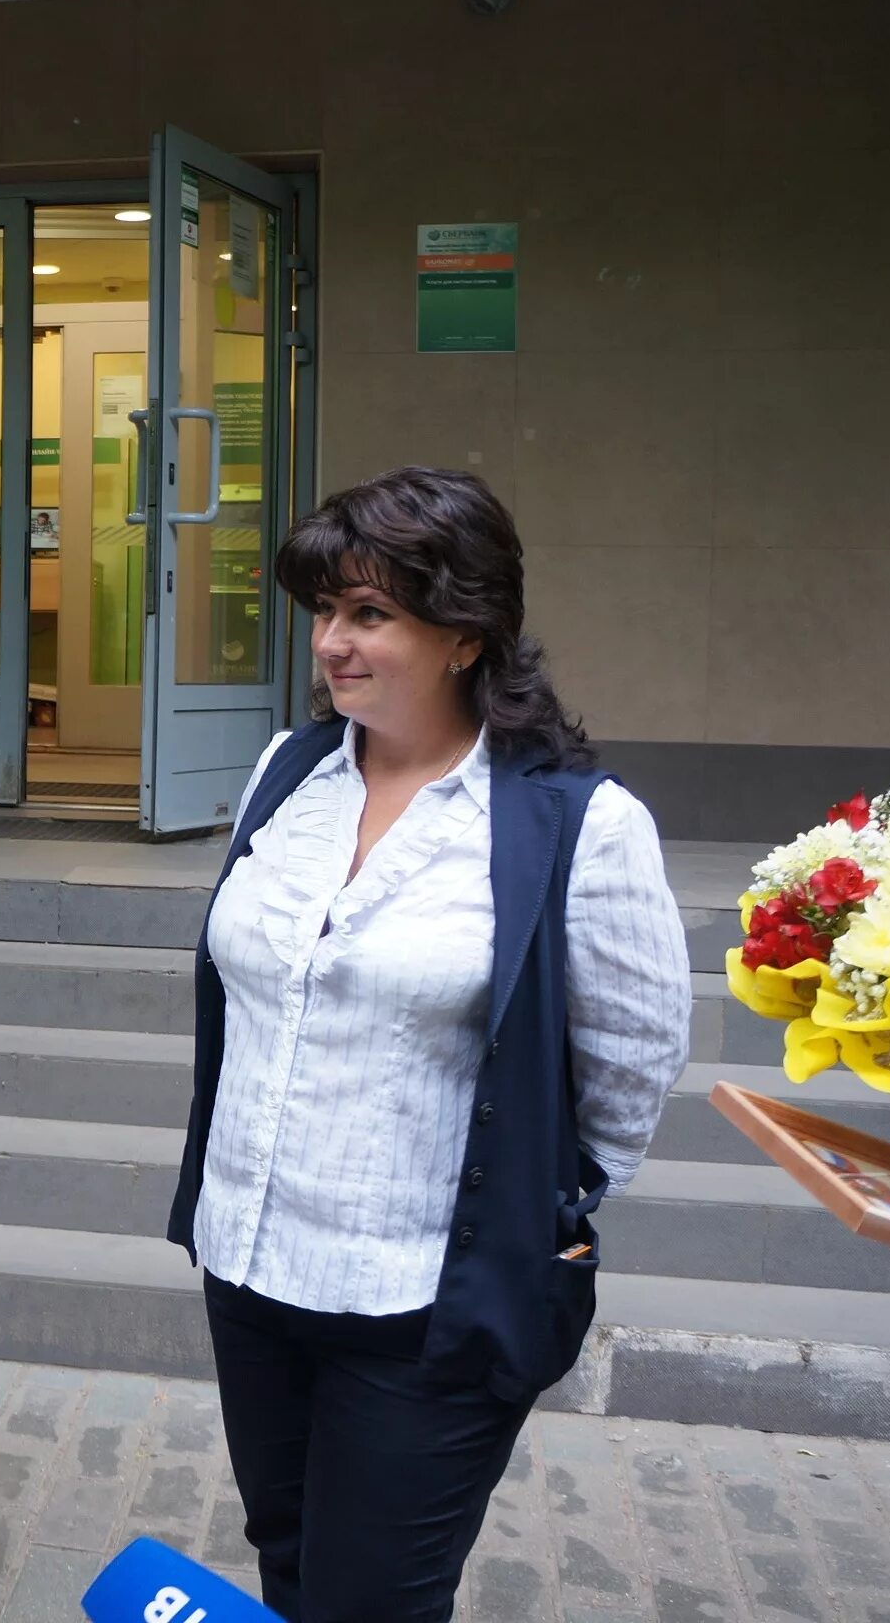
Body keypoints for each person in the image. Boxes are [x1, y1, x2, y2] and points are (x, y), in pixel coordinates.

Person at [165, 466, 691, 1623]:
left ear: (463, 633)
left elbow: (629, 1061)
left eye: (368, 615)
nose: (330, 645)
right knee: (291, 1565)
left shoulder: (571, 821)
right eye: (323, 613)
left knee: (371, 1602)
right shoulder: (286, 773)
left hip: (423, 1302)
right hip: (249, 1265)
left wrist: (538, 1214)